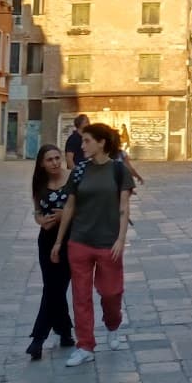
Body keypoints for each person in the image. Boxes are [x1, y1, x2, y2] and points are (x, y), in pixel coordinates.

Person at [51, 122, 134, 366]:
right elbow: (69, 206)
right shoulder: (79, 171)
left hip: (108, 242)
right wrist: (58, 242)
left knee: (111, 292)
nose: (82, 145)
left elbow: (124, 207)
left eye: (87, 141)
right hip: (79, 241)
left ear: (102, 143)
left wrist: (120, 239)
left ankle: (112, 324)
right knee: (80, 296)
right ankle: (85, 345)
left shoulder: (119, 171)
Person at [27, 145, 75, 359]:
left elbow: (82, 206)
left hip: (68, 239)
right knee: (52, 287)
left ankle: (38, 338)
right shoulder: (39, 182)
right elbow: (37, 210)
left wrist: (64, 215)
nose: (55, 162)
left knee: (55, 288)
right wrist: (40, 220)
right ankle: (65, 332)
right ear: (42, 164)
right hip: (46, 239)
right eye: (50, 160)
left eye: (57, 158)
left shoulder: (73, 178)